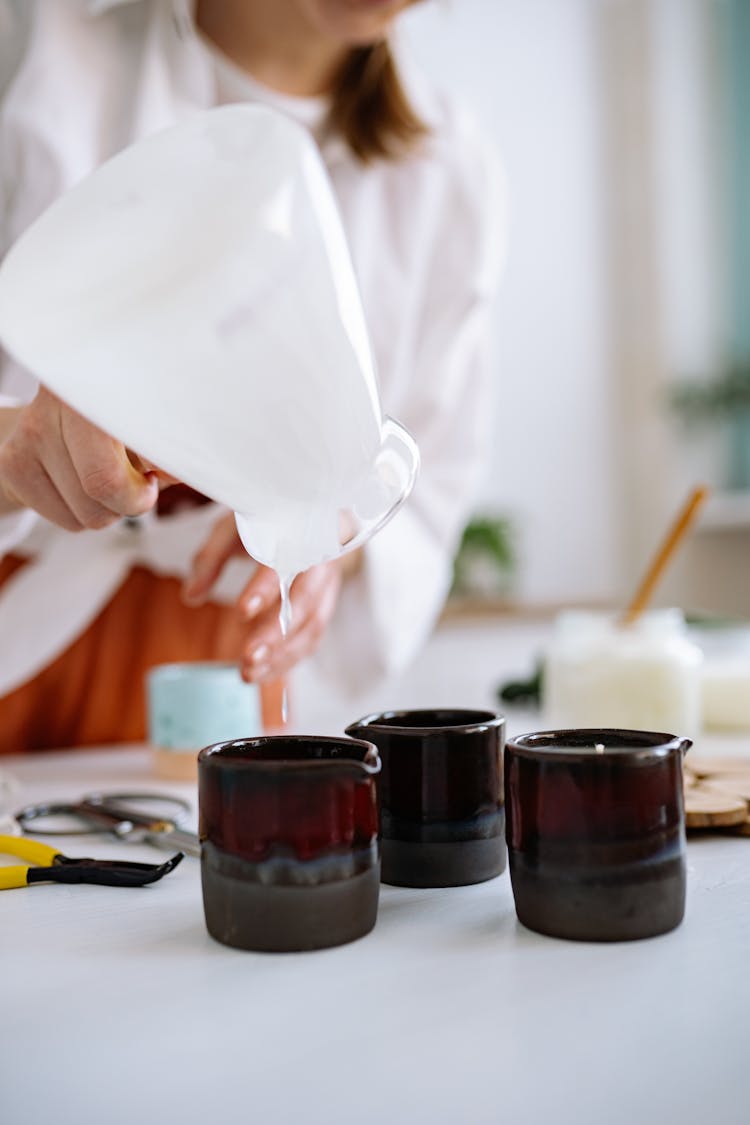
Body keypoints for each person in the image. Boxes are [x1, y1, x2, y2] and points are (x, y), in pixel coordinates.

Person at [0, 0, 504, 752]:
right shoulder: (37, 47)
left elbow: (428, 485)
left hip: (219, 673)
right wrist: (15, 451)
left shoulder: (449, 172)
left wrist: (330, 530)